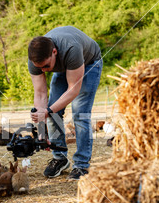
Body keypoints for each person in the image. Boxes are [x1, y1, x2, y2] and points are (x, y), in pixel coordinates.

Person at [28, 25, 103, 180]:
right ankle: (60, 158)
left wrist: (48, 111)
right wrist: (42, 132)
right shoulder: (35, 61)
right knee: (52, 112)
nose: (44, 71)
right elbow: (40, 94)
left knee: (80, 113)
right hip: (64, 67)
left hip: (88, 63)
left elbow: (73, 90)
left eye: (46, 66)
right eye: (39, 68)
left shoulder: (71, 49)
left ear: (54, 52)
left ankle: (81, 165)